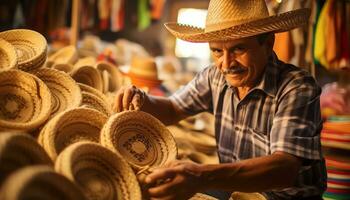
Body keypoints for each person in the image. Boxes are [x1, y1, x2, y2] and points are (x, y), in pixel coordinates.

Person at [114, 0, 327, 199]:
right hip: (235, 192)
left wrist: (201, 176)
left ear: (268, 43)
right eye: (217, 51)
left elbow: (284, 168)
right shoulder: (214, 76)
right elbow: (172, 108)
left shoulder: (297, 86)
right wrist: (142, 100)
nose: (226, 64)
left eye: (238, 49)